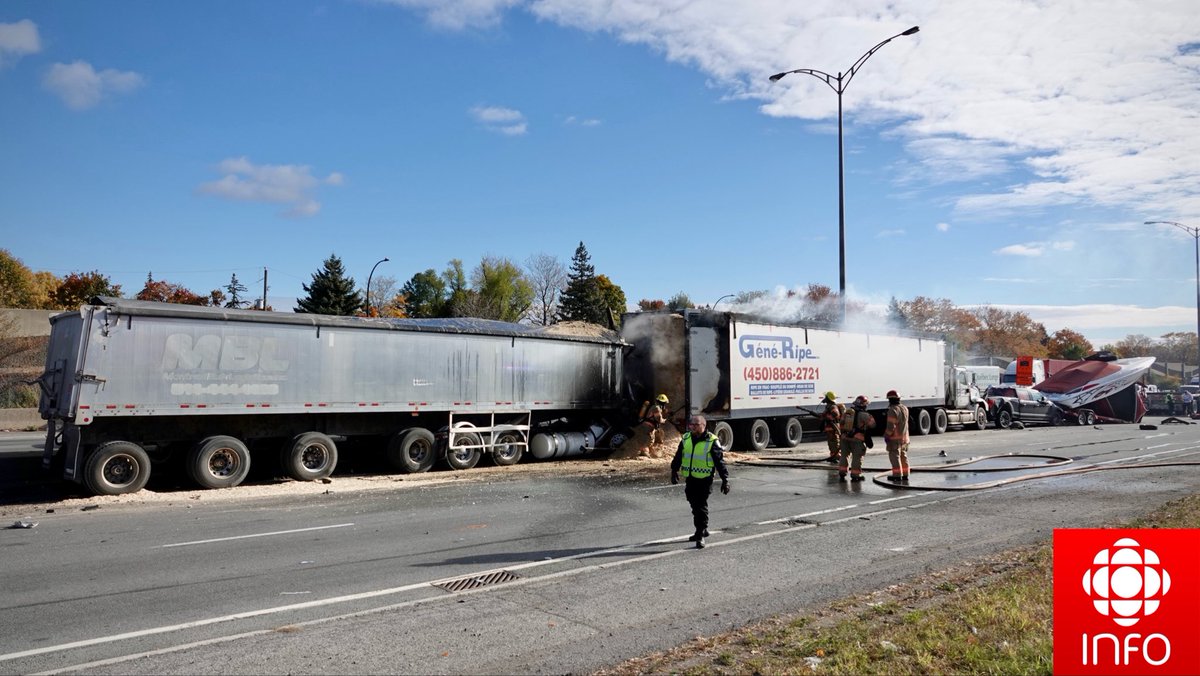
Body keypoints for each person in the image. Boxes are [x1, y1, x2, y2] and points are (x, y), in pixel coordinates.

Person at [670, 414, 730, 549]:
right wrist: (674, 471)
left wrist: (725, 479)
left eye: (695, 425)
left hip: (705, 479)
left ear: (703, 425)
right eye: (691, 424)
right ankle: (703, 528)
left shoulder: (712, 441)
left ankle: (700, 534)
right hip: (690, 477)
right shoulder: (686, 438)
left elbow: (719, 462)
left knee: (700, 505)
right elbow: (679, 455)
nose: (692, 427)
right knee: (693, 503)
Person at [839, 395, 875, 482]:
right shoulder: (865, 415)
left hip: (844, 438)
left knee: (844, 455)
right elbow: (873, 425)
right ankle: (855, 475)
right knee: (857, 457)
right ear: (864, 405)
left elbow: (840, 424)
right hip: (857, 439)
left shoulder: (847, 412)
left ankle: (842, 472)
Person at [883, 390, 910, 483]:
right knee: (904, 457)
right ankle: (905, 474)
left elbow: (891, 426)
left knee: (895, 457)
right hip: (905, 438)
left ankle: (897, 475)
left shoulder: (892, 410)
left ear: (890, 400)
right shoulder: (904, 408)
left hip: (895, 439)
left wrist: (886, 436)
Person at [818, 391, 844, 463]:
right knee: (831, 443)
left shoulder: (833, 406)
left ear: (828, 398)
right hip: (830, 428)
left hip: (833, 427)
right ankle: (833, 456)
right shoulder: (829, 406)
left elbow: (836, 414)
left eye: (826, 397)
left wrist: (826, 417)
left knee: (835, 443)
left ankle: (837, 456)